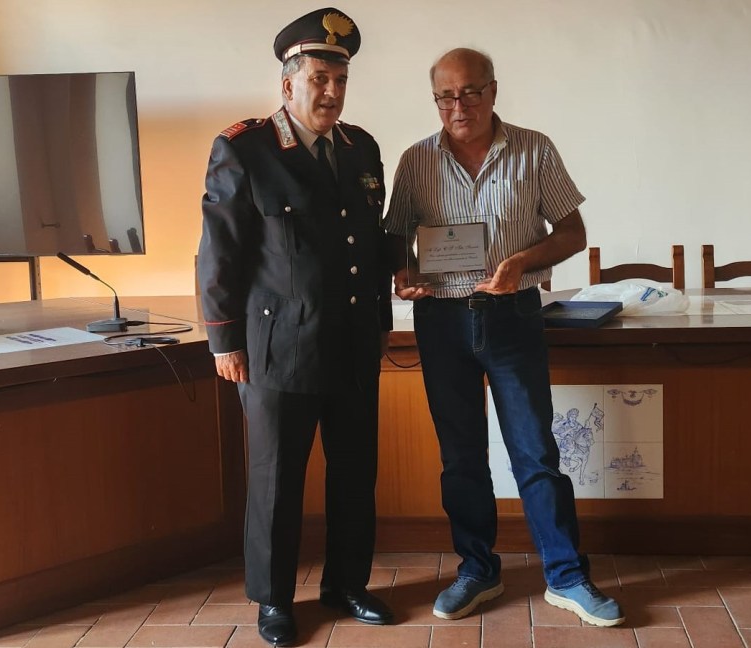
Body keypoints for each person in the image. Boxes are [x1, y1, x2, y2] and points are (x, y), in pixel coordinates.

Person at [381, 47, 625, 627]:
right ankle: (477, 569)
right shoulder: (416, 160)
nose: (458, 105)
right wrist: (404, 271)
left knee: (535, 452)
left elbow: (572, 233)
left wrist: (520, 263)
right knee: (460, 457)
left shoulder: (534, 149)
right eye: (445, 95)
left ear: (492, 91)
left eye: (470, 91)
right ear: (435, 100)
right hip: (441, 319)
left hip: (512, 314)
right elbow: (394, 237)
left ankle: (566, 576)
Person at [196, 7, 394, 646]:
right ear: (288, 84)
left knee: (355, 473)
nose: (332, 92)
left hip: (353, 341)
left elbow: (369, 243)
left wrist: (390, 309)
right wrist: (224, 341)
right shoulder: (245, 148)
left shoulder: (361, 148)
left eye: (341, 80)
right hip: (279, 348)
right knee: (276, 481)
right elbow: (219, 253)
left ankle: (347, 584)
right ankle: (274, 599)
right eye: (319, 79)